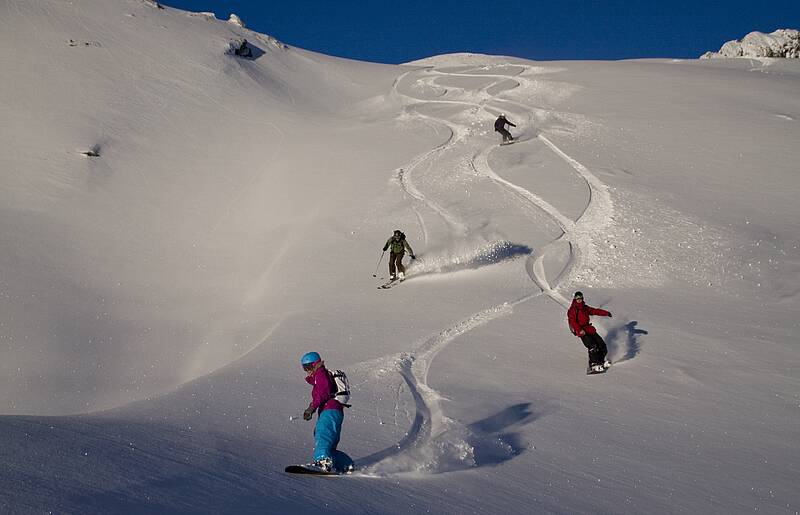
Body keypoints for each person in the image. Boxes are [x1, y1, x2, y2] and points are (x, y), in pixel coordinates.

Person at [300, 351, 351, 472]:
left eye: (307, 367)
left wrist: (311, 407)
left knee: (323, 435)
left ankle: (323, 462)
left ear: (315, 364)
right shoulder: (321, 375)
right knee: (329, 443)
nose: (306, 370)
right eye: (304, 368)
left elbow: (323, 393)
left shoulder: (321, 374)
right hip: (333, 410)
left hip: (330, 409)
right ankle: (345, 464)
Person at [567, 291, 612, 373]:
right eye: (577, 298)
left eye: (580, 298)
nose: (579, 300)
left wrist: (606, 313)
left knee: (602, 345)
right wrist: (579, 330)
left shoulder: (585, 307)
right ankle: (593, 365)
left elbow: (594, 311)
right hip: (581, 331)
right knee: (592, 347)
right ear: (575, 299)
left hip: (589, 329)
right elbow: (572, 321)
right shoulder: (573, 310)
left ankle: (600, 362)